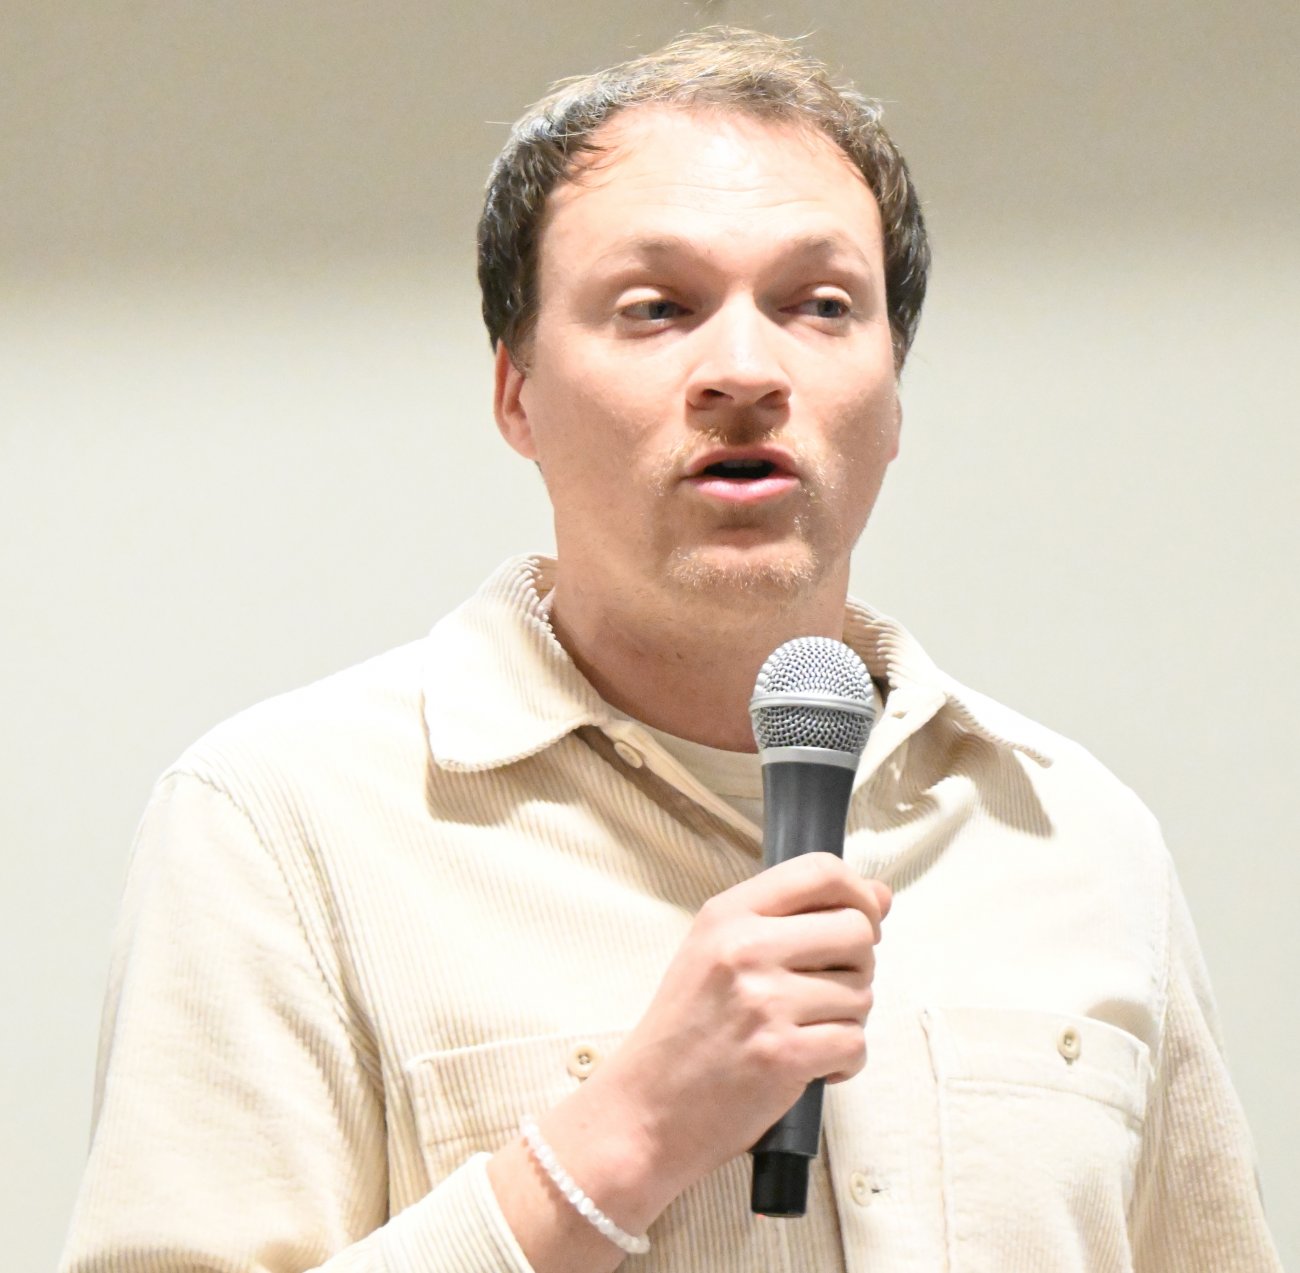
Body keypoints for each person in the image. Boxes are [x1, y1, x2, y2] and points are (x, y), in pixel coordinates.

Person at [61, 27, 1281, 1273]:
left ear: (893, 399)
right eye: (656, 309)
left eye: (821, 307)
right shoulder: (280, 825)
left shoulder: (1078, 835)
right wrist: (627, 1134)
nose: (744, 371)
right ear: (517, 394)